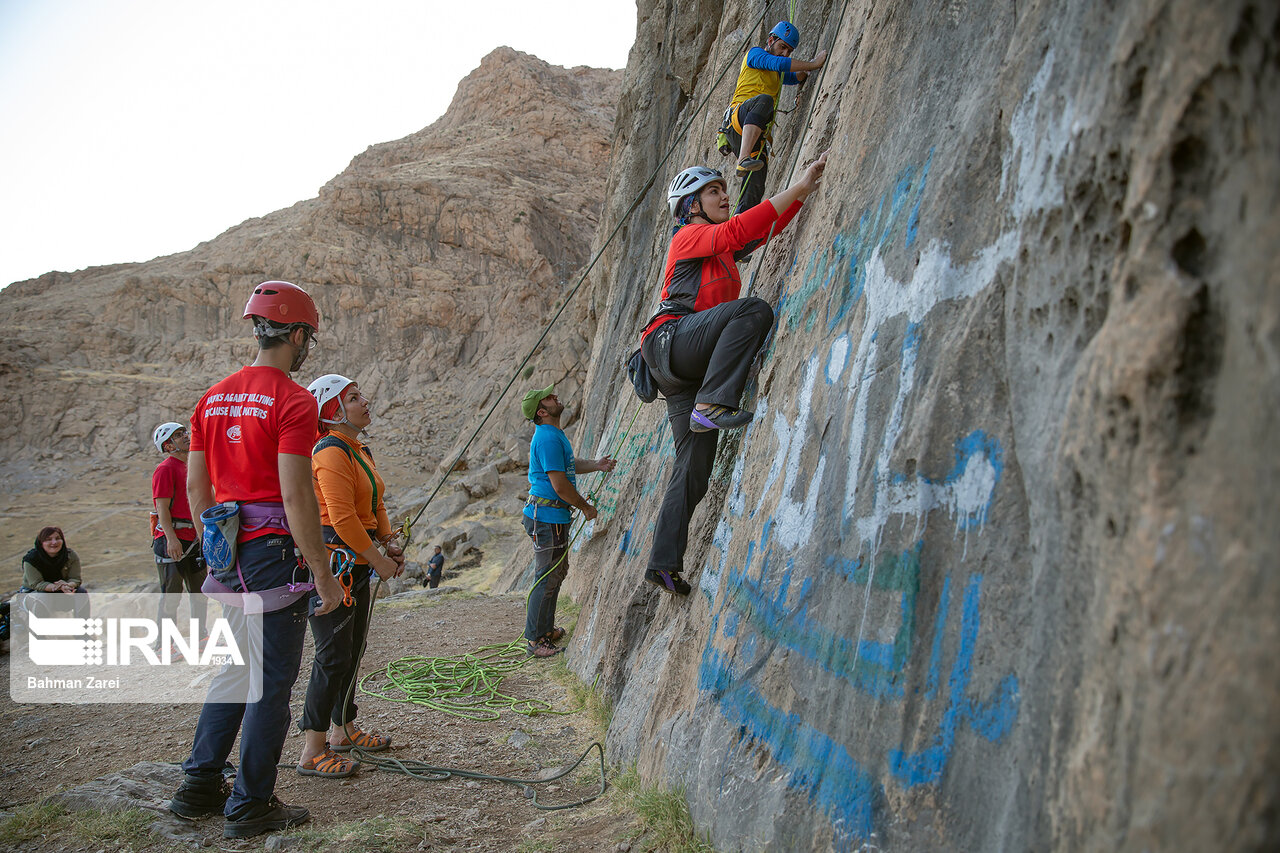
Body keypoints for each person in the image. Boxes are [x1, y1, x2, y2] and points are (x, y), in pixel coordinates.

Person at [168, 281, 344, 840]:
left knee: (236, 669)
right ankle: (251, 803)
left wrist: (219, 554)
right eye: (306, 336)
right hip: (272, 553)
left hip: (229, 550)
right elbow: (296, 498)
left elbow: (198, 492)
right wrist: (323, 575)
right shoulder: (293, 401)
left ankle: (199, 786)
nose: (306, 344)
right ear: (296, 334)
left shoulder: (210, 399)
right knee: (269, 682)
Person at [639, 153, 829, 596]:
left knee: (694, 466)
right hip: (671, 342)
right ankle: (711, 402)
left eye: (723, 189)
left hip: (682, 366)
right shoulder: (687, 236)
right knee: (754, 310)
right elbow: (740, 228)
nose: (723, 196)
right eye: (712, 191)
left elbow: (759, 232)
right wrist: (799, 185)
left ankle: (662, 565)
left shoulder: (717, 248)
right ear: (690, 206)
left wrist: (801, 200)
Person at [296, 373, 404, 779]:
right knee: (332, 654)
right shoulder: (329, 452)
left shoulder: (357, 449)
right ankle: (312, 748)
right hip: (335, 561)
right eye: (354, 398)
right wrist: (378, 560)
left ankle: (342, 730)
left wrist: (387, 543)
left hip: (354, 557)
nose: (365, 402)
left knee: (352, 649)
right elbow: (340, 517)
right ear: (332, 411)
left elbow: (373, 504)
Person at [520, 385, 615, 657]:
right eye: (549, 398)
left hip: (551, 516)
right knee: (547, 575)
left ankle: (545, 630)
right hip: (547, 518)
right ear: (542, 411)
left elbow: (568, 465)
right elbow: (560, 485)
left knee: (555, 574)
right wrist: (585, 507)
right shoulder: (548, 438)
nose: (555, 397)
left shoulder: (552, 435)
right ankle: (536, 641)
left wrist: (597, 464)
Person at [722, 21, 827, 213]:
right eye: (782, 47)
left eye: (789, 51)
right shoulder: (755, 54)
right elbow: (779, 64)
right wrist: (814, 63)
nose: (785, 53)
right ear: (771, 40)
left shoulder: (775, 73)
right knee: (764, 101)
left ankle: (742, 229)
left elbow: (793, 76)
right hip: (739, 118)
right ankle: (743, 158)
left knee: (756, 182)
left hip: (750, 132)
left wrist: (804, 72)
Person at [151, 422, 206, 630]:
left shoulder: (194, 467)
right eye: (178, 435)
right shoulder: (165, 470)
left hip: (194, 537)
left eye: (184, 432)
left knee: (199, 593)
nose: (185, 436)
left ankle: (201, 636)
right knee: (172, 595)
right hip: (172, 538)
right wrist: (171, 539)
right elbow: (162, 508)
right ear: (168, 446)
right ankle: (164, 644)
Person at [20, 527, 90, 618]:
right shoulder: (31, 559)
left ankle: (83, 629)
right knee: (43, 596)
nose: (54, 542)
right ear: (41, 543)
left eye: (57, 538)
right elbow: (37, 584)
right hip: (33, 594)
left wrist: (68, 585)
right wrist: (58, 587)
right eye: (48, 539)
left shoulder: (70, 556)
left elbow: (75, 578)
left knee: (81, 593)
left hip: (62, 592)